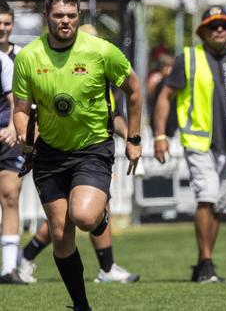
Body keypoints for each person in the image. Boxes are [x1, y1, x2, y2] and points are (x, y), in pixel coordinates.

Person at [12, 0, 142, 310]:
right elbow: (20, 108)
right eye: (58, 16)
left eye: (71, 16)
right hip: (50, 153)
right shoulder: (28, 57)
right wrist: (23, 135)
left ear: (79, 16)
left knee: (83, 215)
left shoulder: (101, 51)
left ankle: (99, 216)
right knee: (60, 234)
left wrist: (134, 138)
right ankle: (81, 305)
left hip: (92, 148)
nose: (65, 22)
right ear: (47, 18)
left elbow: (135, 90)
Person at [153, 5, 226, 283]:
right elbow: (165, 97)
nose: (220, 30)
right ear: (203, 31)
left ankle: (206, 264)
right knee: (207, 196)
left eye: (224, 25)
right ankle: (205, 262)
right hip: (199, 141)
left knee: (220, 205)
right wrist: (160, 135)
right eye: (213, 26)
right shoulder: (188, 58)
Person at [18, 83, 140, 284]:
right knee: (66, 218)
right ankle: (26, 256)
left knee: (90, 209)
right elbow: (36, 111)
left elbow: (113, 114)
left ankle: (107, 267)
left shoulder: (101, 75)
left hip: (92, 154)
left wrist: (129, 135)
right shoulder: (59, 71)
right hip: (60, 156)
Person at [0, 0, 25, 284]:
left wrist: (13, 128)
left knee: (10, 195)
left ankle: (9, 268)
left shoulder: (22, 58)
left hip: (12, 139)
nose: (2, 28)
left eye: (7, 23)